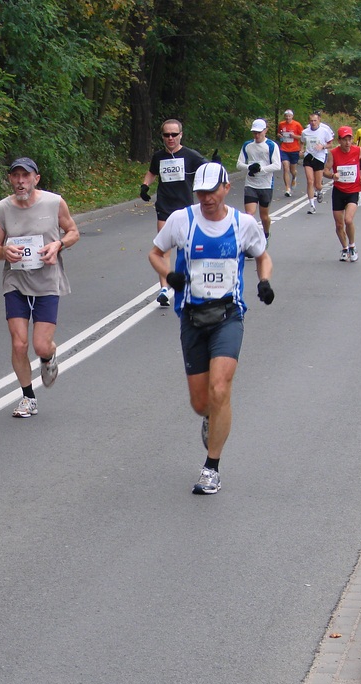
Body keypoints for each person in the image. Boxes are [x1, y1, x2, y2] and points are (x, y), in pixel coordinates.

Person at [147, 162, 275, 495]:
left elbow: (263, 256)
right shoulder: (181, 220)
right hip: (192, 317)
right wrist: (169, 275)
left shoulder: (243, 224)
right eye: (200, 193)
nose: (206, 199)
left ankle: (211, 467)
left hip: (228, 315)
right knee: (200, 402)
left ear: (225, 189)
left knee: (220, 388)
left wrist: (264, 282)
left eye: (211, 192)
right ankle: (210, 417)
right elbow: (155, 253)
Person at [0, 157, 80, 418]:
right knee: (19, 344)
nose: (21, 181)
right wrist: (4, 251)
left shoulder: (54, 202)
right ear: (10, 179)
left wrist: (58, 245)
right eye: (16, 176)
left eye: (26, 176)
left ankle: (49, 355)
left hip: (46, 280)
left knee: (40, 345)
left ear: (36, 179)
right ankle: (28, 397)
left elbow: (73, 231)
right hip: (16, 281)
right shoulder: (2, 209)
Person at [140, 119, 209, 306]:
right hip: (165, 206)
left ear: (181, 135)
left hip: (185, 208)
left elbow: (208, 169)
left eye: (174, 134)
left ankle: (193, 283)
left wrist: (214, 165)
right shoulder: (159, 156)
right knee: (162, 249)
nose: (170, 138)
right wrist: (145, 186)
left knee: (187, 249)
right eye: (166, 135)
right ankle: (164, 288)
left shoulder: (191, 155)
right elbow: (152, 172)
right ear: (162, 136)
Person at [323, 126, 361, 262]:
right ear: (339, 140)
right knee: (339, 225)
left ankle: (352, 246)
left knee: (348, 220)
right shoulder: (333, 153)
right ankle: (344, 248)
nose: (348, 142)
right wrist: (333, 175)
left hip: (353, 190)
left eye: (349, 139)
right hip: (339, 191)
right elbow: (325, 171)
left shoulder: (357, 150)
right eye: (345, 140)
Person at [236, 118, 282, 240]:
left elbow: (277, 165)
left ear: (265, 131)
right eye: (254, 133)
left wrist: (261, 169)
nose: (256, 135)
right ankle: (251, 241)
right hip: (250, 184)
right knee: (249, 215)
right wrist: (249, 167)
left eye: (259, 132)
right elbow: (239, 164)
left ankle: (266, 234)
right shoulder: (247, 145)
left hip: (265, 185)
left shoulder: (271, 146)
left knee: (264, 216)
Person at [300, 113, 335, 213]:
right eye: (311, 121)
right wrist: (301, 150)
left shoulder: (324, 131)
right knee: (310, 181)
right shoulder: (305, 132)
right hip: (308, 157)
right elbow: (302, 142)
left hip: (319, 157)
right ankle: (312, 205)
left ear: (319, 120)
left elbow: (330, 144)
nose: (313, 123)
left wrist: (323, 146)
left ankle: (319, 191)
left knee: (318, 184)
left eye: (315, 121)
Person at [277, 109, 304, 196]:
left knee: (292, 170)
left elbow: (302, 137)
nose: (288, 118)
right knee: (285, 168)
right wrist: (280, 136)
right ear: (285, 116)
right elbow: (279, 133)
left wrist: (294, 136)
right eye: (286, 116)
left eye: (289, 116)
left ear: (292, 116)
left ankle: (294, 176)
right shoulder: (281, 124)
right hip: (284, 149)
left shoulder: (297, 125)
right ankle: (287, 189)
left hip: (294, 149)